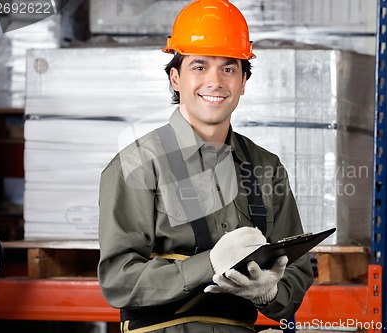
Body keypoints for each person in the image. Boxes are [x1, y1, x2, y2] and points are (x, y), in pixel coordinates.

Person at [97, 0, 313, 332]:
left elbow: (296, 270)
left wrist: (268, 293)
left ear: (243, 82)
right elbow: (119, 281)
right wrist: (210, 263)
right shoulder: (137, 165)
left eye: (228, 68)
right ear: (175, 79)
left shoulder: (267, 168)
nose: (215, 81)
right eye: (199, 66)